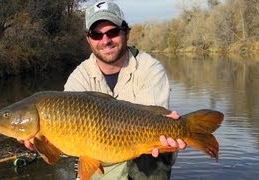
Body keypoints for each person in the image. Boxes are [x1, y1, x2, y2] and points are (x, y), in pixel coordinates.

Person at [63, 1, 185, 179]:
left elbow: (153, 120)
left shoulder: (150, 68)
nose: (105, 40)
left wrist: (172, 133)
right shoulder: (79, 78)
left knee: (152, 160)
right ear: (88, 39)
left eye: (112, 32)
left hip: (142, 152)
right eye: (96, 34)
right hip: (99, 158)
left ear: (126, 33)